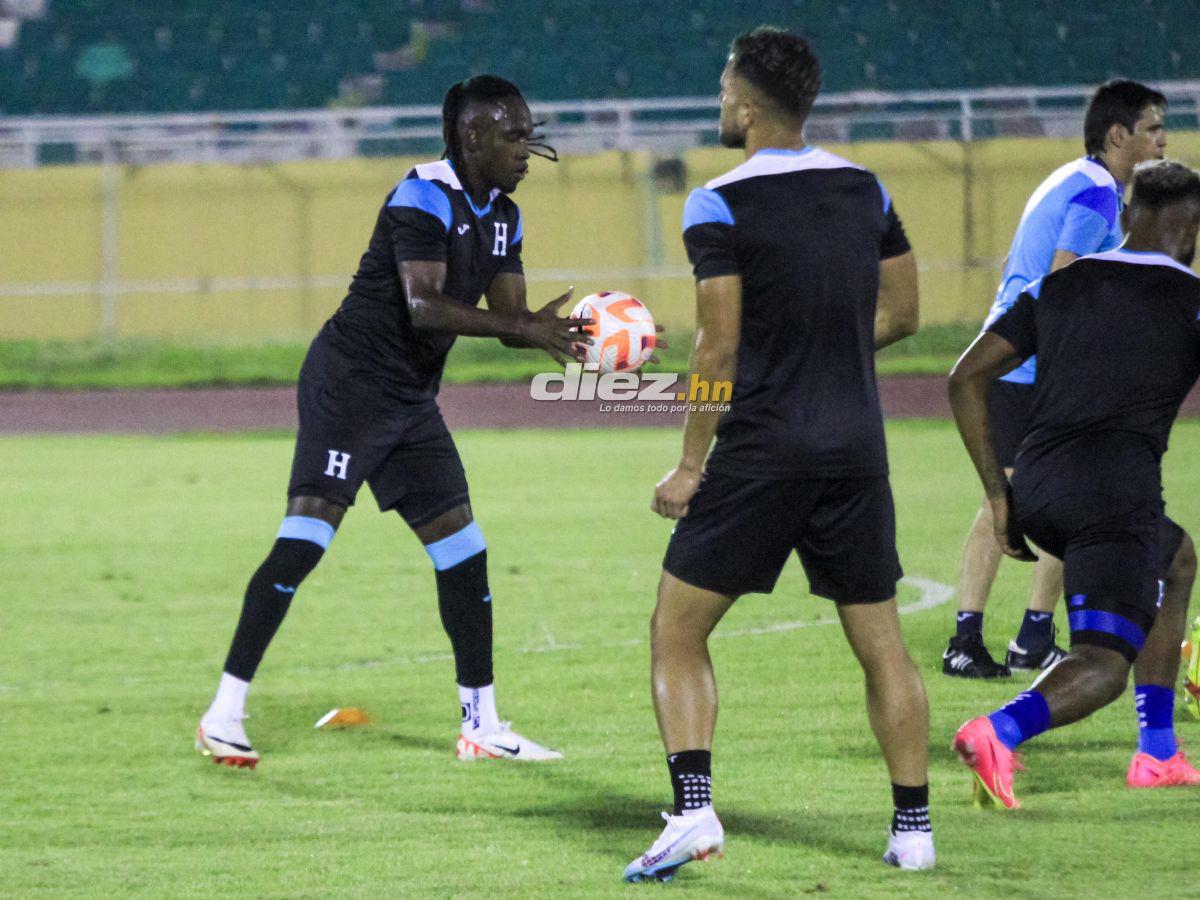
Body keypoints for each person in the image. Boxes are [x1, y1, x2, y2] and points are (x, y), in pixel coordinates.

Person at [195, 75, 592, 768]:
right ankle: (223, 713)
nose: (529, 149)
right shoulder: (421, 192)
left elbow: (507, 320)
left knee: (464, 552)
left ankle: (482, 725)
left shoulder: (505, 214)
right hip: (349, 384)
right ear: (473, 136)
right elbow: (424, 304)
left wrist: (553, 332)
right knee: (306, 539)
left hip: (409, 399)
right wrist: (519, 323)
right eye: (516, 135)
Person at [623, 27, 932, 883]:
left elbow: (716, 350)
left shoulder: (719, 201)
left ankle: (692, 813)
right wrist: (825, 346)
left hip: (763, 451)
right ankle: (914, 830)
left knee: (677, 629)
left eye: (726, 91)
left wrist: (690, 465)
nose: (721, 104)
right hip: (857, 450)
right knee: (882, 645)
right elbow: (904, 314)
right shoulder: (866, 188)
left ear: (748, 106)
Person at [949, 159, 1200, 808]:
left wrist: (999, 497)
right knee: (1102, 665)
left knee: (1176, 559)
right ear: (1191, 226)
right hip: (1114, 499)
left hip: (1036, 488)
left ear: (1124, 216)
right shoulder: (1189, 298)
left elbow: (964, 379)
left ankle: (1159, 750)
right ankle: (999, 731)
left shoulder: (1060, 285)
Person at [944, 80, 1168, 679]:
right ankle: (973, 639)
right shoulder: (1099, 195)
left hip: (1021, 361)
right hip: (1026, 369)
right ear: (1118, 135)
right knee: (1020, 502)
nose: (1162, 141)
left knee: (1060, 498)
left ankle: (1028, 637)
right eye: (1152, 128)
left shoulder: (1072, 178)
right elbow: (1064, 279)